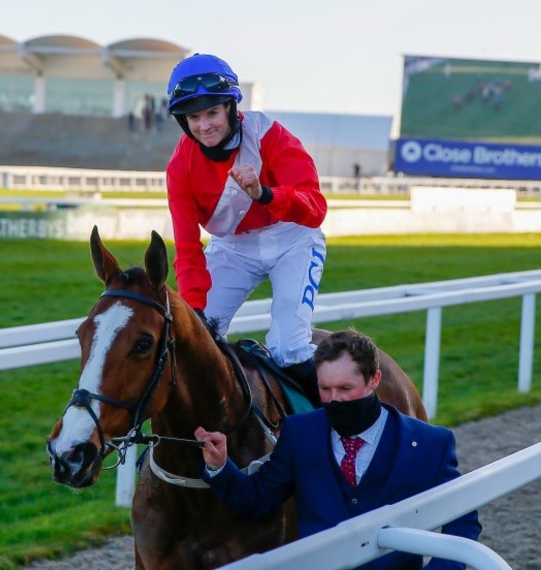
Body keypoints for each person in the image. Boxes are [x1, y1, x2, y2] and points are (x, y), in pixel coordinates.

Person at [195, 329, 481, 569]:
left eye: (345, 389)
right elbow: (256, 500)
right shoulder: (299, 433)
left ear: (374, 380)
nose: (334, 400)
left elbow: (463, 519)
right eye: (325, 389)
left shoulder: (429, 443)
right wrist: (219, 466)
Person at [165, 53, 327, 405]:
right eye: (194, 117)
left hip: (292, 239)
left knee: (289, 346)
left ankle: (329, 429)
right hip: (233, 248)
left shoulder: (270, 136)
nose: (204, 125)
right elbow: (187, 249)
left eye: (212, 113)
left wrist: (264, 194)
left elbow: (315, 210)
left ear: (230, 107)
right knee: (192, 340)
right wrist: (195, 312)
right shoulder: (180, 167)